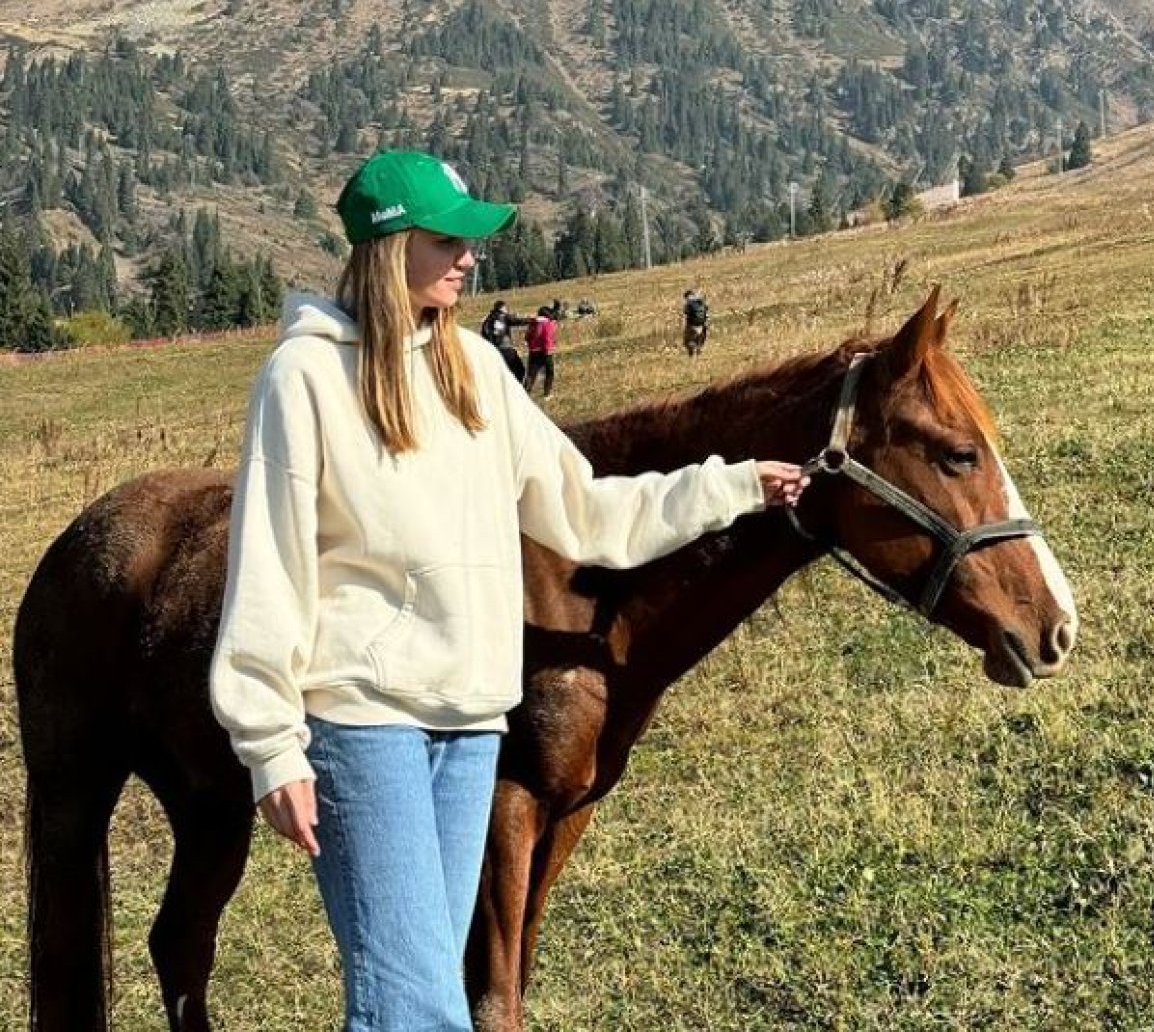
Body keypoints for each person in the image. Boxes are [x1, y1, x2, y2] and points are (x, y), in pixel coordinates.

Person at [208, 149, 807, 1032]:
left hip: (470, 726)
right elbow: (269, 561)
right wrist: (271, 745)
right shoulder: (303, 380)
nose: (469, 257)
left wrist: (731, 486)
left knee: (423, 997)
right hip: (363, 723)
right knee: (410, 1007)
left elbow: (590, 513)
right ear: (387, 247)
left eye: (471, 241)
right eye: (447, 238)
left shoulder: (478, 374)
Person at [479, 298, 526, 384]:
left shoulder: (487, 319)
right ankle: (515, 389)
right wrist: (532, 320)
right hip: (506, 348)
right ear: (502, 308)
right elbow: (517, 321)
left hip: (492, 350)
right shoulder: (503, 316)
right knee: (519, 370)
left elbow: (483, 334)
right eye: (506, 308)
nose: (507, 310)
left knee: (500, 372)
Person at [524, 303, 558, 398]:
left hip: (533, 351)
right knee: (549, 372)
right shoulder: (547, 323)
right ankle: (547, 394)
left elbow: (527, 337)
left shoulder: (533, 322)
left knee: (531, 375)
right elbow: (547, 337)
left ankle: (525, 395)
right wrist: (548, 350)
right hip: (545, 351)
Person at [683, 288, 709, 358]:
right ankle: (698, 352)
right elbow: (707, 310)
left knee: (687, 342)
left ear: (686, 296)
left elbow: (686, 314)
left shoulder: (688, 303)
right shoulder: (701, 301)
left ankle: (691, 357)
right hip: (702, 326)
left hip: (692, 326)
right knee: (699, 341)